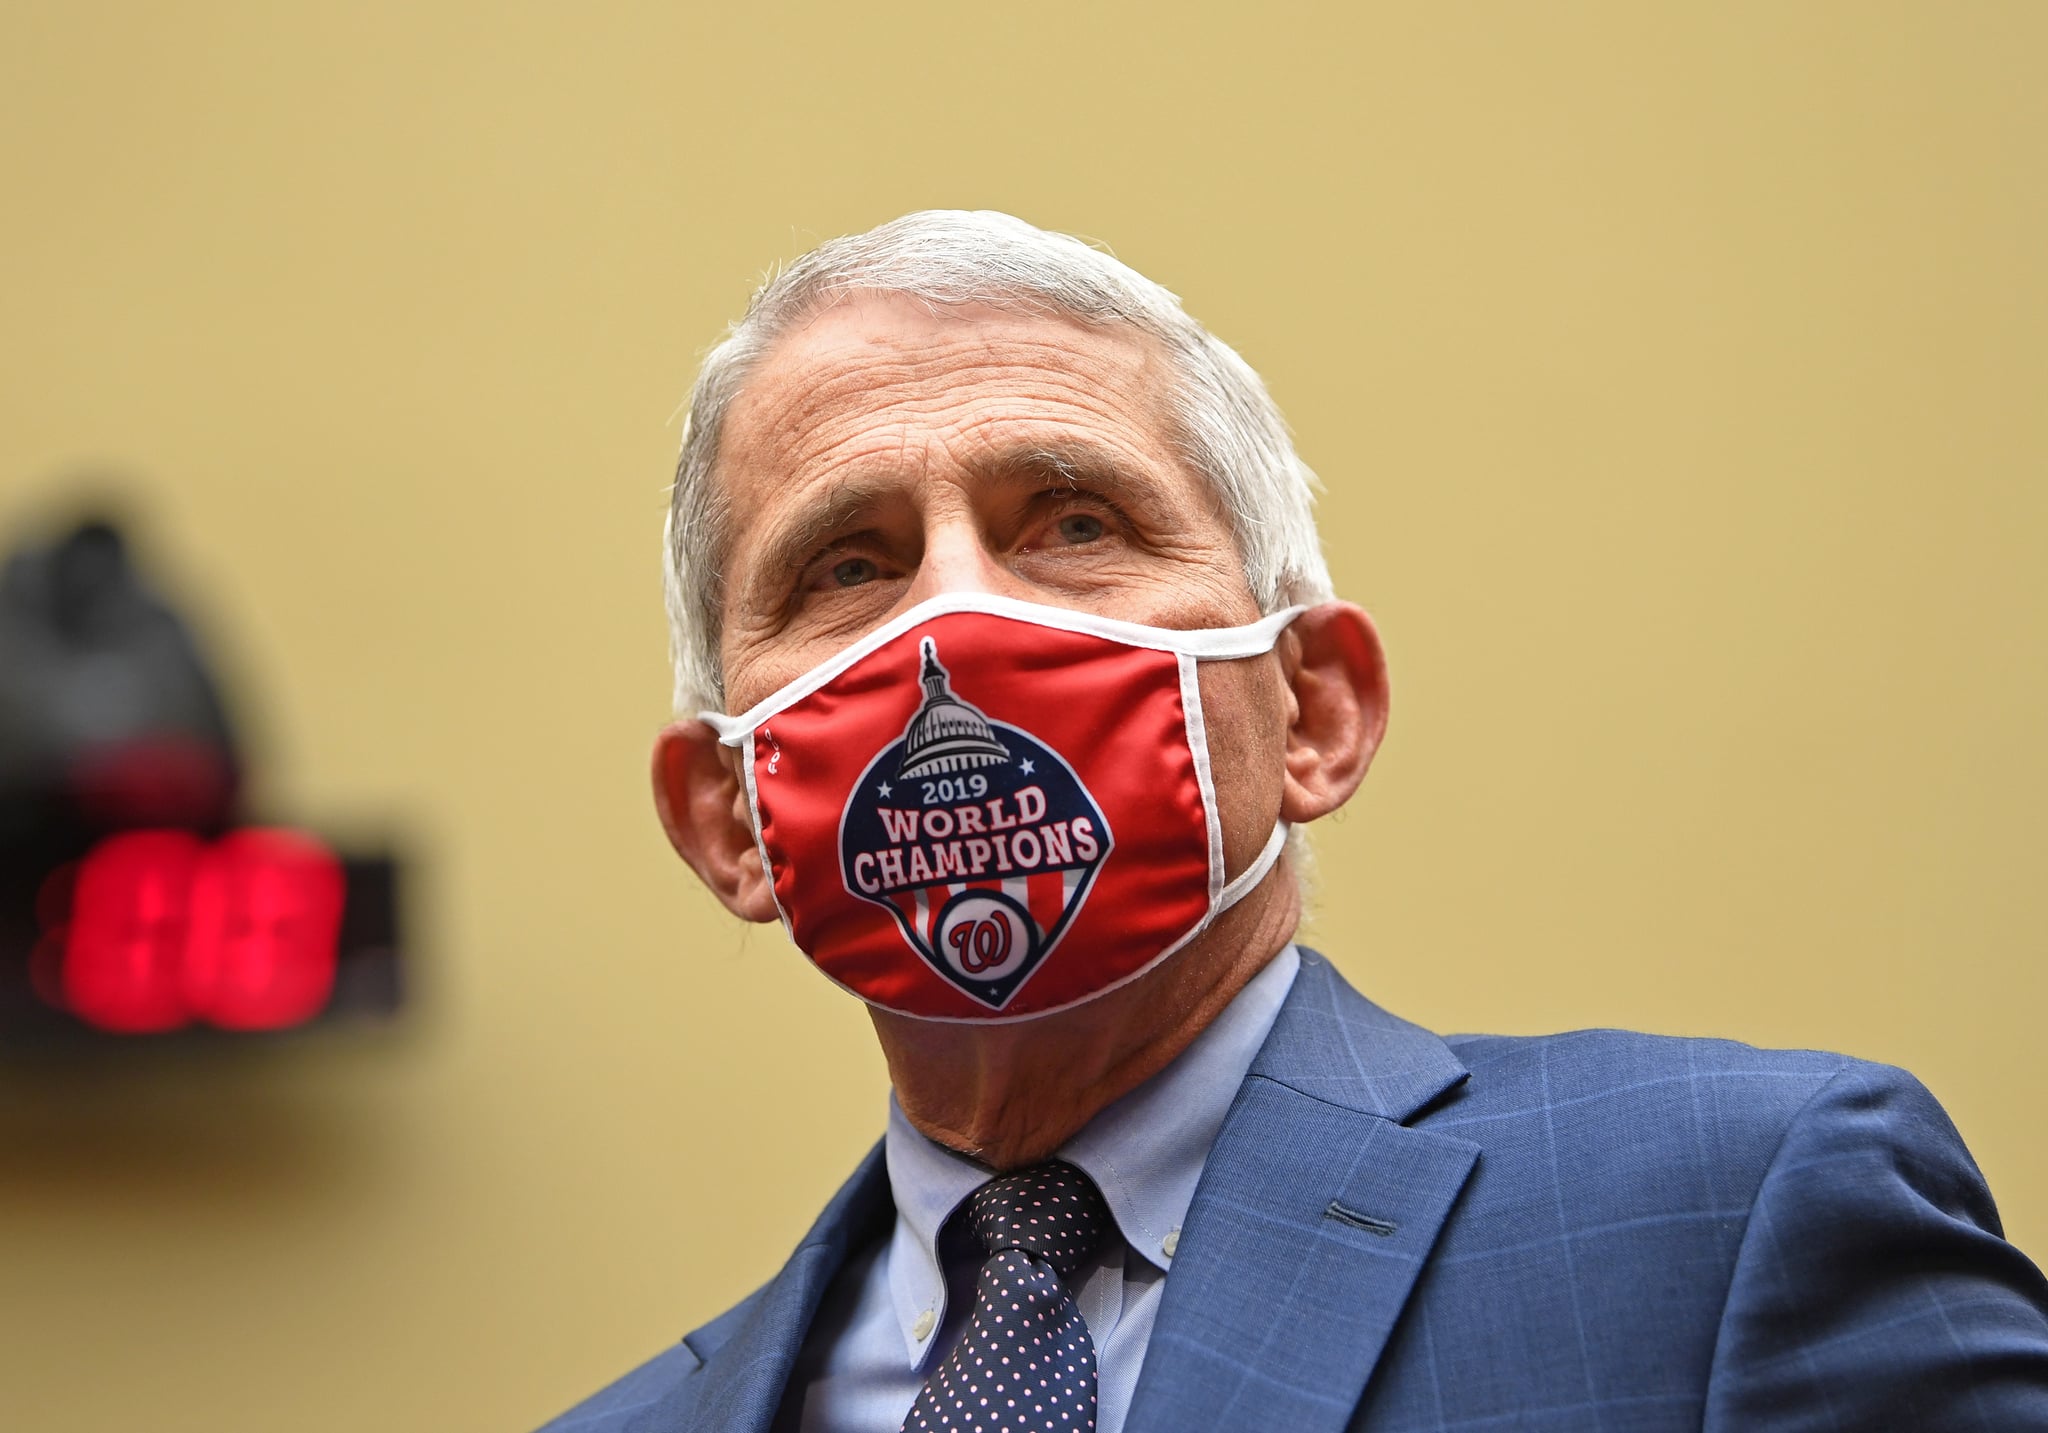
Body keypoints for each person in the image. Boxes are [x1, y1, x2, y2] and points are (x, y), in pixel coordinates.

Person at [539, 211, 2048, 1433]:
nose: (957, 615)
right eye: (848, 564)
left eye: (1074, 524)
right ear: (728, 815)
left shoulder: (1730, 1221)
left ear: (1314, 706)